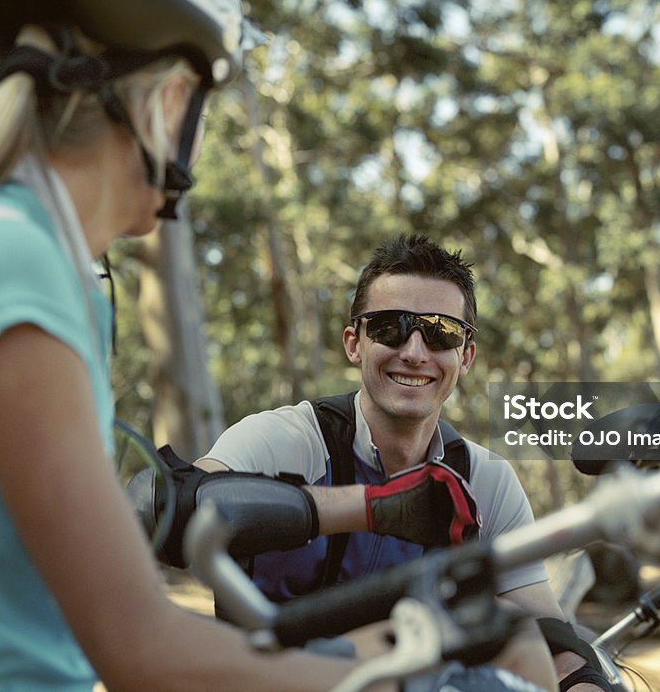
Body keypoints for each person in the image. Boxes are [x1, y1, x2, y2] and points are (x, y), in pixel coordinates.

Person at [0, 0, 393, 692]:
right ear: (166, 99)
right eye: (198, 107)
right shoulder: (8, 261)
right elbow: (139, 648)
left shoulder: (9, 249)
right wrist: (402, 663)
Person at [141, 235, 610, 691]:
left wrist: (584, 685)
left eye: (440, 333)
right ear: (353, 343)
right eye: (390, 327)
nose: (414, 351)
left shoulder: (485, 480)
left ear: (465, 357)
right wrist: (374, 505)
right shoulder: (289, 440)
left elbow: (545, 633)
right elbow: (165, 506)